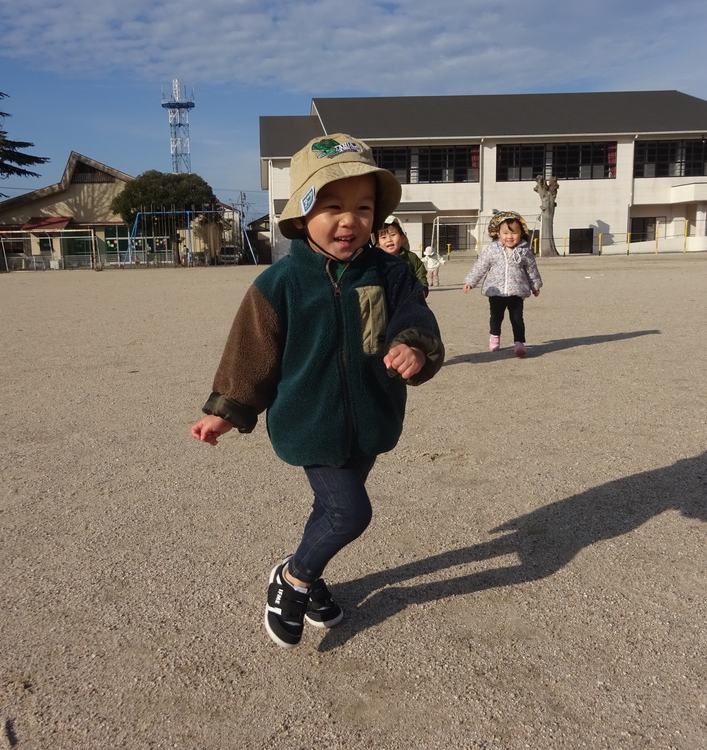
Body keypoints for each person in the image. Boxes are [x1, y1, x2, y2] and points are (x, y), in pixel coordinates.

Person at [190, 133, 445, 648]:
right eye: (331, 206)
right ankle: (294, 579)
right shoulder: (279, 282)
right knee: (350, 513)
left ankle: (311, 576)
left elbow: (416, 319)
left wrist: (415, 348)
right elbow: (251, 353)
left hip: (372, 416)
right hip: (310, 420)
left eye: (363, 208)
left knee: (328, 511)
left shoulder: (390, 273)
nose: (349, 220)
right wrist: (227, 408)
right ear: (302, 213)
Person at [462, 211, 542, 357]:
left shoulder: (525, 251)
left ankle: (519, 343)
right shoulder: (493, 250)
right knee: (496, 317)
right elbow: (481, 265)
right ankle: (494, 337)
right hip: (496, 292)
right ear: (498, 233)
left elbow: (532, 270)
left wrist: (535, 286)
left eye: (514, 233)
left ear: (521, 233)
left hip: (516, 291)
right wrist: (470, 281)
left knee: (517, 318)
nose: (509, 237)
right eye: (505, 233)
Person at [375, 215, 429, 296]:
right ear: (378, 243)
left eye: (393, 235)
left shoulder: (411, 257)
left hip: (408, 296)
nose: (389, 239)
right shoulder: (376, 260)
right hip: (385, 299)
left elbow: (420, 274)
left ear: (402, 238)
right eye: (383, 237)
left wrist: (422, 289)